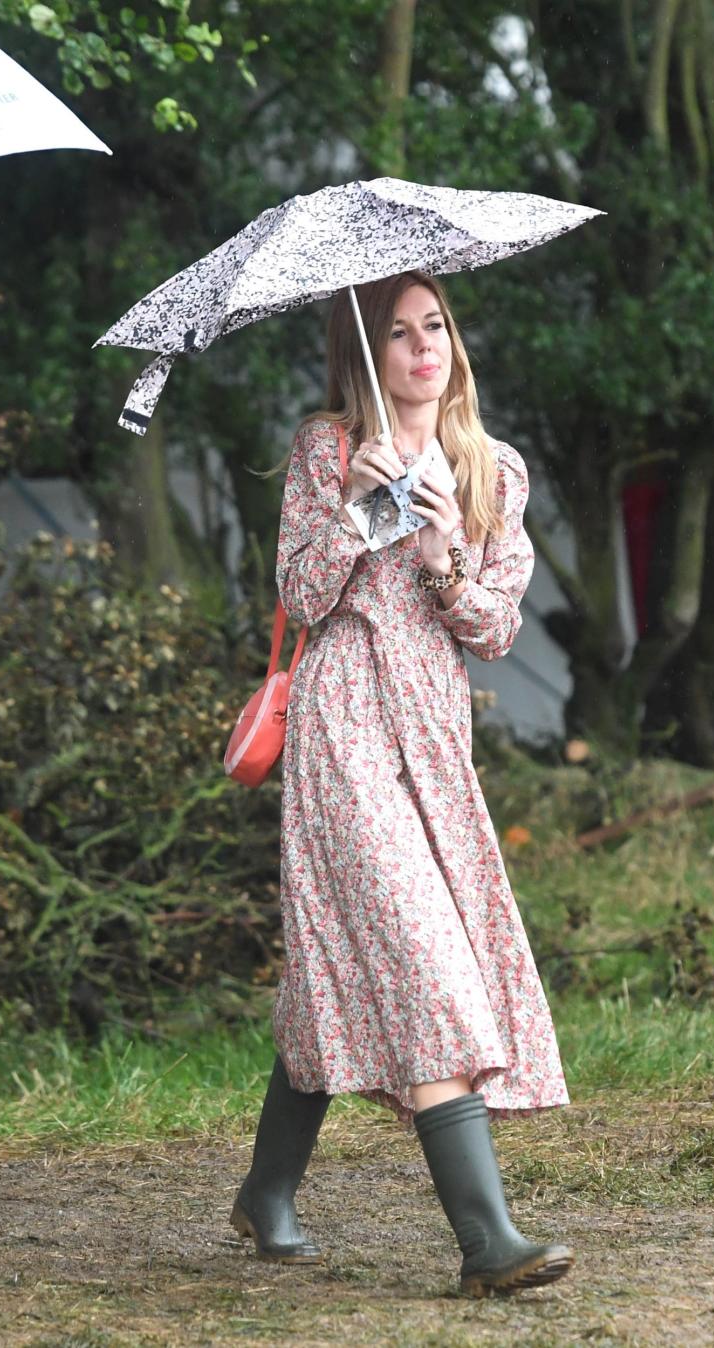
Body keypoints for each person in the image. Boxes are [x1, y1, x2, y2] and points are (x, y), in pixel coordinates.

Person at [230, 270, 572, 1297]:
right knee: (423, 954)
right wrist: (347, 507)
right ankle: (486, 1242)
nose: (425, 347)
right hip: (342, 721)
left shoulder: (491, 469)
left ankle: (265, 1190)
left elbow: (497, 629)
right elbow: (299, 590)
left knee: (340, 970)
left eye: (436, 327)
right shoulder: (327, 447)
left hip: (432, 727)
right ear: (364, 355)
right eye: (398, 332)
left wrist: (438, 555)